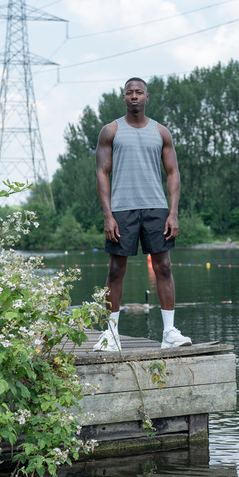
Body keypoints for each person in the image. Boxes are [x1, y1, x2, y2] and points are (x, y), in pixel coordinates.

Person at [94, 77, 192, 352]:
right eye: (129, 93)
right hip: (122, 208)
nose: (134, 96)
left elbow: (173, 173)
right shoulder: (110, 131)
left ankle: (169, 333)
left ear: (147, 97)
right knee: (115, 270)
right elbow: (102, 172)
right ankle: (111, 334)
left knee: (164, 267)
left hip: (156, 208)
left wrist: (173, 213)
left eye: (139, 92)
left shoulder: (161, 132)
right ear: (123, 98)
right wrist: (107, 215)